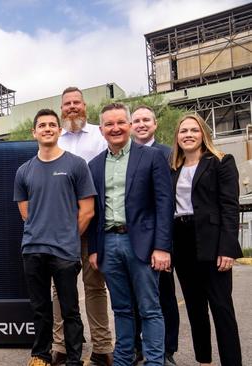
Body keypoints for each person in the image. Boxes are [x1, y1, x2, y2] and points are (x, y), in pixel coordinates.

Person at [87, 102, 173, 366]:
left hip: (143, 244)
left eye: (120, 123)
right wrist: (93, 249)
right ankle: (123, 360)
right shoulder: (94, 165)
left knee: (150, 309)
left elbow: (164, 203)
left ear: (129, 125)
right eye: (109, 124)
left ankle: (154, 362)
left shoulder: (151, 157)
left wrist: (162, 247)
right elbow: (95, 211)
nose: (115, 128)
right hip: (108, 244)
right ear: (101, 130)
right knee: (121, 309)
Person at [14, 109, 95, 366]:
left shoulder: (76, 165)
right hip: (33, 250)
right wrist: (43, 229)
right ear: (34, 132)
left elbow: (87, 211)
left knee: (70, 310)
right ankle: (40, 355)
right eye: (42, 125)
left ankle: (73, 359)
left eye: (52, 125)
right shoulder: (24, 171)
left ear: (59, 130)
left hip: (65, 252)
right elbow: (26, 212)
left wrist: (67, 236)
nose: (47, 128)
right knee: (40, 309)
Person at [170, 114, 243, 366]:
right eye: (183, 131)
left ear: (203, 134)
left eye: (193, 130)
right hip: (182, 241)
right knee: (195, 308)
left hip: (212, 243)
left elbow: (230, 208)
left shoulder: (221, 162)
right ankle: (204, 361)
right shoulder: (173, 168)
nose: (188, 135)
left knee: (222, 308)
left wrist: (228, 249)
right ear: (177, 138)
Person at [53, 86, 113, 366]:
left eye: (77, 102)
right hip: (60, 228)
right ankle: (60, 345)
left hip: (92, 224)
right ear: (61, 107)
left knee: (94, 286)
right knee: (59, 290)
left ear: (84, 106)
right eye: (67, 104)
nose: (72, 107)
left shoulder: (100, 136)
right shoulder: (54, 138)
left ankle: (102, 347)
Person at [131, 105, 179, 365]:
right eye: (136, 120)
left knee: (165, 296)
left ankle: (167, 350)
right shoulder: (125, 155)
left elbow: (168, 200)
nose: (141, 124)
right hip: (135, 238)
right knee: (136, 297)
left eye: (146, 119)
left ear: (155, 124)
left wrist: (165, 244)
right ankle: (138, 347)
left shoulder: (168, 155)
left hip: (160, 236)